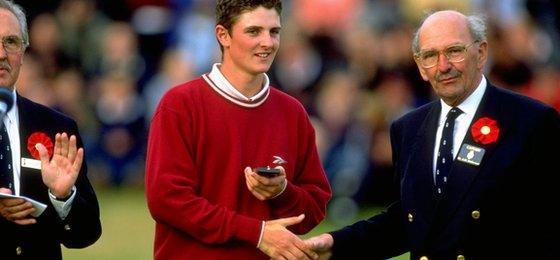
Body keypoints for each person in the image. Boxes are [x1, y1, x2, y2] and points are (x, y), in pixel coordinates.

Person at [304, 10, 560, 259]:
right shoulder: (408, 128)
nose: (443, 66)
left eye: (454, 51)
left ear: (481, 53)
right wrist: (336, 244)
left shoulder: (531, 120)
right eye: (430, 56)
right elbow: (409, 220)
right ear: (420, 67)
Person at [144, 0, 331, 259]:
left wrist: (282, 191)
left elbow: (313, 210)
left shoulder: (293, 112)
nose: (268, 42)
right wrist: (256, 233)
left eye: (274, 31)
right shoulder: (180, 105)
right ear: (223, 35)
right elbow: (167, 200)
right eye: (254, 31)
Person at [0, 0, 101, 258]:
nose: (0, 54)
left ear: (23, 52)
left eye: (11, 42)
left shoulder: (58, 127)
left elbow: (85, 235)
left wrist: (63, 197)